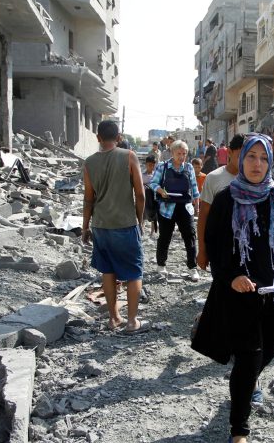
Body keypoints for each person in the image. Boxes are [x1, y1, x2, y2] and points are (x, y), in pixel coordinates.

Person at [191, 133, 274, 443]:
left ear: (271, 163)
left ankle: (247, 377)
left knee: (267, 352)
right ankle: (239, 430)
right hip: (241, 294)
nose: (257, 164)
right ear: (241, 161)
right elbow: (215, 244)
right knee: (248, 356)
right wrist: (232, 277)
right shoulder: (227, 198)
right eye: (251, 157)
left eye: (264, 159)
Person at [82, 120, 148, 333]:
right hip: (125, 224)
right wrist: (140, 220)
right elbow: (140, 193)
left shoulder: (89, 163)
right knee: (134, 273)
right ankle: (131, 322)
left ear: (98, 138)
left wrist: (85, 227)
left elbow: (88, 199)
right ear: (119, 137)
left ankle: (113, 318)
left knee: (107, 271)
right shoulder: (128, 156)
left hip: (101, 225)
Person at [149, 139, 200, 281]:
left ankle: (192, 267)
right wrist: (160, 191)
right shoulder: (163, 166)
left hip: (185, 207)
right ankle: (161, 265)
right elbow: (153, 183)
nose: (182, 156)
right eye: (179, 153)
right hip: (166, 208)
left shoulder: (189, 168)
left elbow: (194, 188)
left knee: (190, 236)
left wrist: (197, 205)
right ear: (172, 153)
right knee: (165, 236)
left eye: (184, 153)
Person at [196, 133, 245, 271]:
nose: (246, 160)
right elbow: (203, 216)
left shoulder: (255, 181)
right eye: (241, 155)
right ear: (229, 152)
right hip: (220, 248)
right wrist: (202, 250)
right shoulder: (214, 178)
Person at [143, 154, 159, 237]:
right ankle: (141, 230)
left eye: (153, 165)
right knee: (143, 215)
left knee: (154, 215)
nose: (151, 167)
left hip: (153, 198)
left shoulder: (156, 175)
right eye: (149, 165)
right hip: (144, 198)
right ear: (146, 164)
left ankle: (152, 232)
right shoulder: (142, 175)